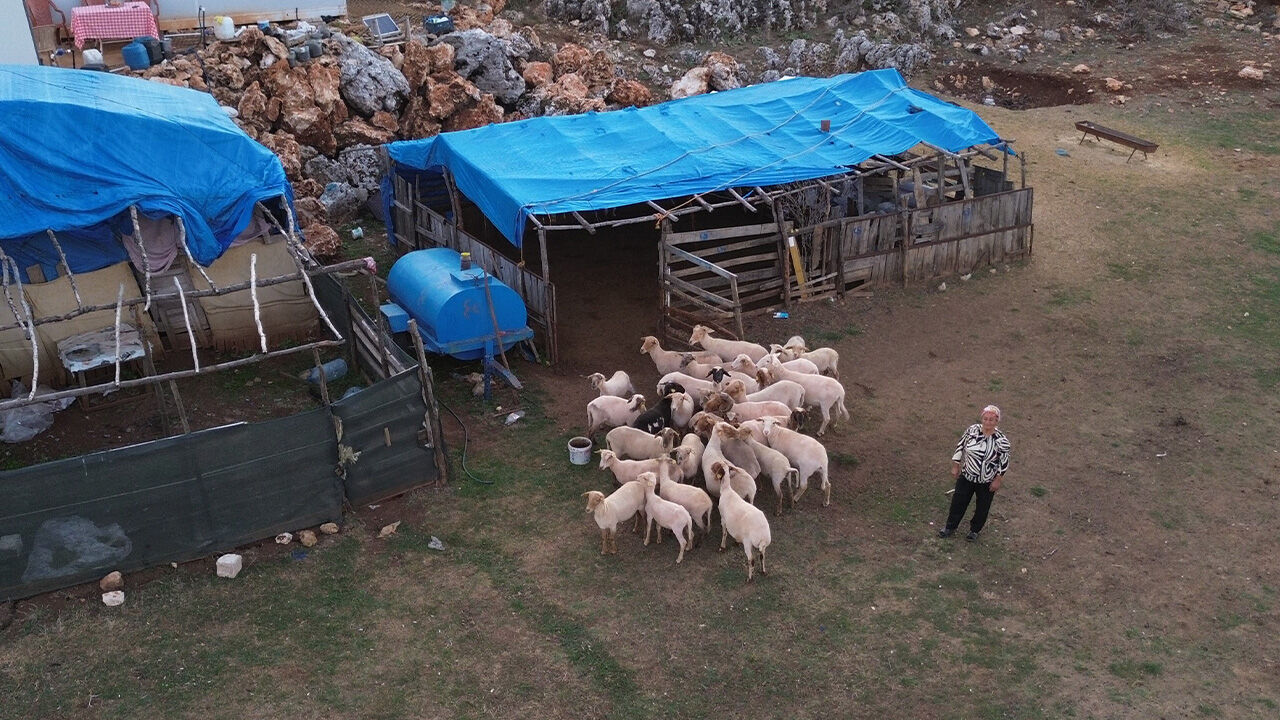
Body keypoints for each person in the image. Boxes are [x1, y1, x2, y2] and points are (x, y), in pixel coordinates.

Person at [938, 405, 1010, 542]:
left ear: (997, 421)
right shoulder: (972, 430)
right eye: (985, 419)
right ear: (982, 418)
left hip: (986, 480)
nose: (988, 422)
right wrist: (955, 465)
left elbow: (1004, 462)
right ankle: (950, 527)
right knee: (958, 502)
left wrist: (998, 480)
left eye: (991, 420)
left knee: (982, 507)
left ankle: (974, 530)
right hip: (967, 475)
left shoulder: (1001, 440)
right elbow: (960, 446)